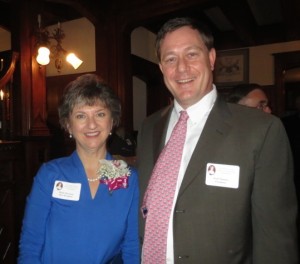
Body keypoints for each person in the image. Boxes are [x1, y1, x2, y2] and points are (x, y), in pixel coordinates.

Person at [137, 17, 298, 263]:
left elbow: (275, 237)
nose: (181, 68)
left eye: (191, 54)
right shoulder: (149, 127)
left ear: (211, 58)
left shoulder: (262, 130)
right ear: (161, 68)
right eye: (170, 59)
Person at [18, 74, 140, 264]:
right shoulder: (50, 175)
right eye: (81, 116)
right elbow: (30, 244)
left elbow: (132, 245)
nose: (91, 125)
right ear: (68, 124)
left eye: (100, 114)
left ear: (112, 121)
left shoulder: (127, 177)